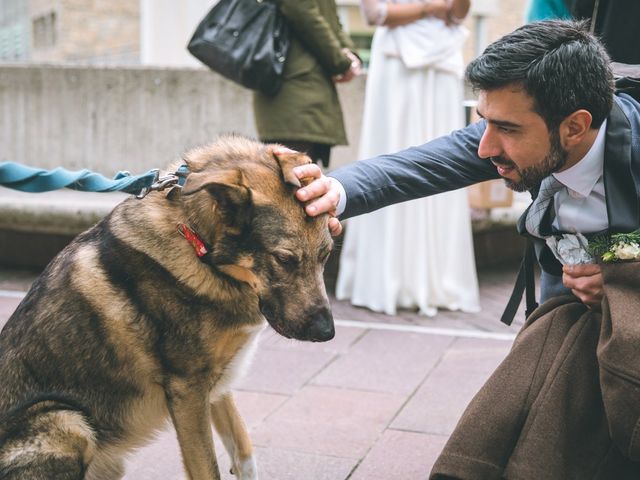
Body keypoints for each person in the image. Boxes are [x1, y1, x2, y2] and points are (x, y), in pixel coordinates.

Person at [292, 19, 640, 318]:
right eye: (484, 122)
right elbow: (419, 165)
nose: (486, 148)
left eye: (507, 129)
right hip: (561, 302)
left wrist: (628, 279)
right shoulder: (518, 123)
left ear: (575, 127)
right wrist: (336, 189)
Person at [335, 0, 479, 316]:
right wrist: (430, 7)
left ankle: (438, 276)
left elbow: (459, 12)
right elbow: (375, 14)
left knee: (446, 154)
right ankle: (387, 277)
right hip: (397, 62)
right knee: (394, 149)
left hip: (441, 61)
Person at [252, 0, 362, 169]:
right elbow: (304, 15)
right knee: (293, 182)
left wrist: (350, 55)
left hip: (309, 90)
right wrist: (342, 61)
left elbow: (330, 19)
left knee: (306, 179)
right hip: (291, 90)